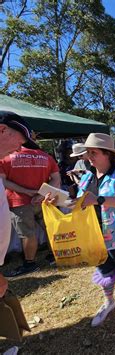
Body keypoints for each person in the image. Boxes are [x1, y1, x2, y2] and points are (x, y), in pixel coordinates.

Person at [74, 133, 115, 326]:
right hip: (93, 234)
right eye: (88, 153)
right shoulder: (87, 177)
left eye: (93, 152)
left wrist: (99, 200)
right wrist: (58, 200)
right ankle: (109, 301)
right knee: (103, 270)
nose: (89, 156)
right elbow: (80, 201)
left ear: (107, 154)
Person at [0, 138, 60, 277]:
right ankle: (55, 255)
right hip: (44, 200)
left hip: (19, 201)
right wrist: (42, 193)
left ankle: (30, 263)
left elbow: (2, 181)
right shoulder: (46, 156)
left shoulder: (6, 156)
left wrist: (26, 191)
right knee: (50, 229)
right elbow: (56, 179)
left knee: (27, 233)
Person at [0, 111, 39, 296]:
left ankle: (29, 262)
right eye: (19, 142)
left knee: (28, 233)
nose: (18, 149)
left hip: (23, 203)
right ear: (2, 130)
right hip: (22, 203)